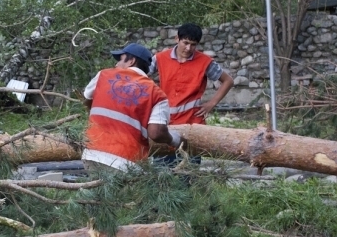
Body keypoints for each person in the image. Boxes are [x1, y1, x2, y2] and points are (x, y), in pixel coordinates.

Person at [82, 43, 183, 172]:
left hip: (92, 153)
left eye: (120, 59)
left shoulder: (103, 75)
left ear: (131, 61)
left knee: (98, 191)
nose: (117, 64)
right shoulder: (157, 94)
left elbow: (87, 99)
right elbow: (156, 133)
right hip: (127, 162)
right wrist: (175, 140)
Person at [151, 23, 233, 164]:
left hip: (192, 127)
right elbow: (139, 76)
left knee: (189, 176)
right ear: (177, 39)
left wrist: (211, 103)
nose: (188, 48)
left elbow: (228, 81)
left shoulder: (205, 62)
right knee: (162, 175)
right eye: (186, 43)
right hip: (165, 125)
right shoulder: (159, 58)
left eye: (193, 45)